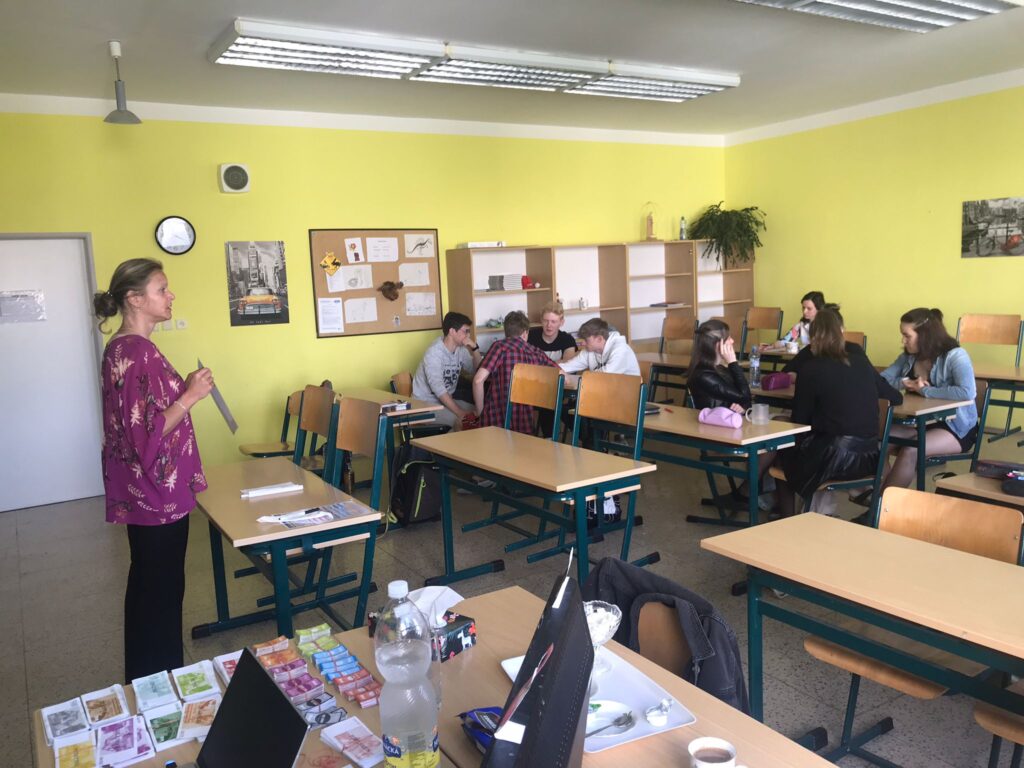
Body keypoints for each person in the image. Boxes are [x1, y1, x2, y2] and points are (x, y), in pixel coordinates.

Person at [94, 258, 214, 681]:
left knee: (149, 587)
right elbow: (146, 435)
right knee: (160, 593)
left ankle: (148, 680)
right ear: (134, 299)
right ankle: (158, 682)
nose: (170, 295)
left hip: (144, 492)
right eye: (162, 289)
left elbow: (143, 413)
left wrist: (183, 388)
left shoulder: (121, 348)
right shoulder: (137, 352)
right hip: (157, 493)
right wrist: (191, 395)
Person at [776, 308, 902, 516]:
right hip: (870, 456)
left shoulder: (810, 369)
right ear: (841, 333)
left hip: (834, 459)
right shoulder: (860, 361)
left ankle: (786, 517)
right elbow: (895, 397)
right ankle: (846, 496)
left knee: (780, 447)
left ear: (812, 339)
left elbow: (800, 421)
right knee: (816, 442)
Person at [876, 307, 978, 493]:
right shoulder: (908, 357)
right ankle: (882, 497)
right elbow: (881, 381)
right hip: (917, 422)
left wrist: (925, 391)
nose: (903, 340)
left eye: (907, 336)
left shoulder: (955, 355)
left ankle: (883, 504)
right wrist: (904, 382)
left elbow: (967, 392)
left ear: (924, 335)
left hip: (954, 427)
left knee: (911, 450)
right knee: (877, 442)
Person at [473, 310, 559, 432]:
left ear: (506, 331)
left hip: (496, 420)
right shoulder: (535, 352)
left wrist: (480, 413)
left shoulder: (499, 347)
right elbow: (561, 374)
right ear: (525, 333)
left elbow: (478, 380)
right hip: (523, 422)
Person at [412, 311, 483, 430]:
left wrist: (475, 349)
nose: (468, 335)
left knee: (482, 412)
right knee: (462, 421)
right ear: (452, 331)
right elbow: (439, 389)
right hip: (424, 405)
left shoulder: (460, 349)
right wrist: (460, 413)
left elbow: (477, 371)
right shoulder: (434, 353)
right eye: (465, 331)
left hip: (444, 401)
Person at [687, 319, 751, 412]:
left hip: (729, 418)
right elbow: (745, 396)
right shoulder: (704, 376)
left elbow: (745, 397)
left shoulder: (720, 368)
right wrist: (733, 362)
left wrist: (743, 407)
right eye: (728, 338)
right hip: (713, 421)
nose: (732, 341)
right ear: (717, 345)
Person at [559, 318, 640, 376]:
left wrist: (583, 376)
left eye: (586, 340)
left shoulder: (621, 350)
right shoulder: (589, 350)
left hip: (629, 392)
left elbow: (606, 374)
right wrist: (555, 370)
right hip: (608, 390)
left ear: (599, 339)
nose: (582, 343)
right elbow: (569, 366)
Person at [761, 291, 826, 350]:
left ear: (819, 309)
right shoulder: (801, 325)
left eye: (809, 308)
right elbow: (787, 340)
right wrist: (772, 346)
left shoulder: (826, 325)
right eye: (803, 308)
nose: (804, 311)